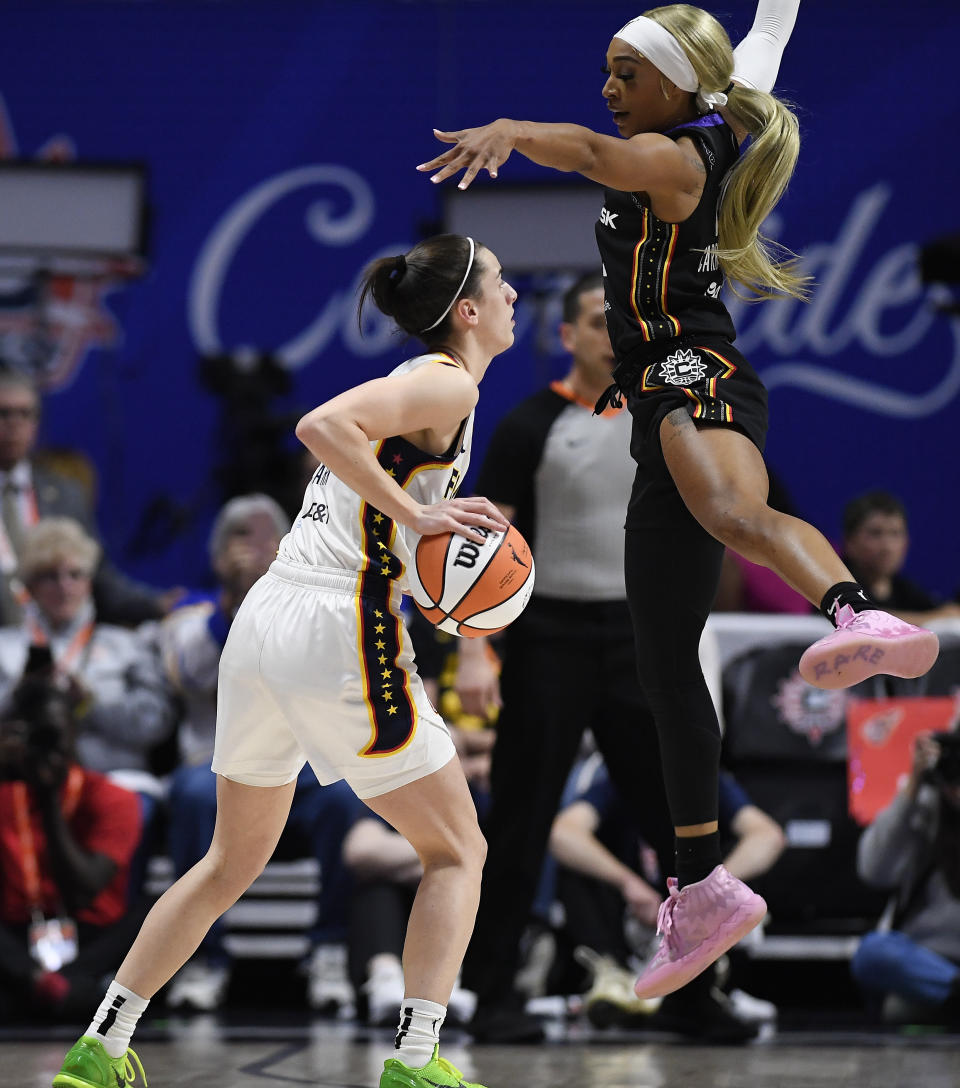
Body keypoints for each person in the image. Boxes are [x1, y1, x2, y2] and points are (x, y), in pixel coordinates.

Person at [418, 0, 940, 999]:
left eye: (625, 74)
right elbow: (767, 42)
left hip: (688, 368)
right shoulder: (722, 111)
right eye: (606, 73)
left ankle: (855, 611)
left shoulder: (671, 159)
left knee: (736, 517)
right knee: (664, 667)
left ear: (670, 83)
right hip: (662, 382)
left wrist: (513, 134)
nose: (608, 91)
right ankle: (699, 884)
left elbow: (576, 150)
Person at [52, 232, 515, 1088]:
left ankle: (102, 1046)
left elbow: (359, 492)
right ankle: (418, 1063)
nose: (517, 294)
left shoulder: (432, 390)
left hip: (271, 618)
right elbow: (319, 425)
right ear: (468, 311)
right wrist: (418, 525)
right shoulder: (445, 377)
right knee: (458, 849)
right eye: (502, 282)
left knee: (231, 859)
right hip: (335, 621)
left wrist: (421, 551)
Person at [452, 272, 675, 1043]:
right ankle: (491, 998)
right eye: (594, 321)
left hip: (637, 641)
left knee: (678, 823)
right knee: (520, 819)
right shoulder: (528, 425)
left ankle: (696, 992)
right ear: (568, 335)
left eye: (620, 321)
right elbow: (481, 543)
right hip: (549, 638)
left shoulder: (664, 416)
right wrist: (476, 654)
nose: (611, 334)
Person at [159, 493, 364, 1015]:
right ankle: (202, 959)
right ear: (217, 554)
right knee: (190, 793)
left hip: (299, 777)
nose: (255, 548)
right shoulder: (191, 614)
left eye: (268, 535)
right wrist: (234, 602)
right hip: (218, 770)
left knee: (347, 795)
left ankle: (331, 950)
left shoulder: (318, 607)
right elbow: (193, 674)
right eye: (240, 536)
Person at [550, 758, 784, 1039]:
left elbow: (768, 835)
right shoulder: (622, 780)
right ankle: (613, 977)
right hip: (632, 915)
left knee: (744, 868)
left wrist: (712, 890)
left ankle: (699, 990)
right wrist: (627, 882)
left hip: (691, 924)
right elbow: (563, 833)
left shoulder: (708, 782)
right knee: (578, 865)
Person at [0, 517, 177, 888]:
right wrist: (17, 699)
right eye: (50, 575)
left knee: (130, 809)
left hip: (114, 780)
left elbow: (156, 721)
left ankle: (124, 928)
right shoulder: (7, 649)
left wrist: (90, 704)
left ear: (90, 581)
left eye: (74, 574)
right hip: (25, 784)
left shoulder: (127, 644)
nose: (64, 586)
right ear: (30, 586)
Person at [0, 671, 144, 1022]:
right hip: (17, 935)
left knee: (157, 910)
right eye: (36, 736)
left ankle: (53, 988)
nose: (47, 749)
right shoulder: (5, 792)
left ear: (74, 734)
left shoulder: (114, 797)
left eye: (54, 735)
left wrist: (50, 802)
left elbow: (86, 891)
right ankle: (54, 989)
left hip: (89, 932)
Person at [0, 368, 183, 628]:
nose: (14, 424)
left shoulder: (66, 495)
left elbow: (98, 577)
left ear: (36, 424)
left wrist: (158, 603)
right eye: (4, 413)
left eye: (25, 414)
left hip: (56, 649)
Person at [851, 731, 960, 1025]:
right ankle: (952, 989)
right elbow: (873, 869)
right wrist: (911, 787)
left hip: (934, 984)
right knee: (873, 952)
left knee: (902, 1009)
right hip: (927, 960)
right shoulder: (925, 808)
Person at [841, 491, 960, 626]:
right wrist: (933, 619)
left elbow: (951, 614)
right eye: (875, 534)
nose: (887, 547)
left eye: (895, 534)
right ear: (850, 542)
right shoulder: (837, 584)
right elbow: (856, 618)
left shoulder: (904, 589)